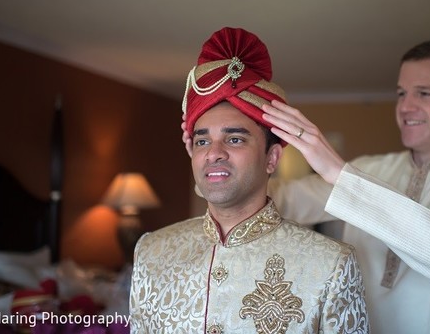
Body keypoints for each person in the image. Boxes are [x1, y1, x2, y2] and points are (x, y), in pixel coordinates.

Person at [185, 39, 430, 333]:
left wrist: (337, 169)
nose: (405, 107)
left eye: (424, 93)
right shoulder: (369, 170)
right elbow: (284, 201)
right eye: (401, 93)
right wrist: (217, 169)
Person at [131, 27, 370, 333]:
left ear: (272, 158)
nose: (213, 153)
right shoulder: (152, 251)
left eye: (234, 140)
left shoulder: (332, 265)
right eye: (202, 142)